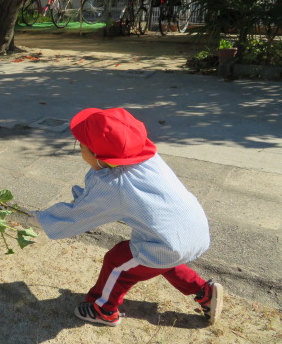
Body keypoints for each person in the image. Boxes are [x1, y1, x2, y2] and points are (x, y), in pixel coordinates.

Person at [30, 107, 223, 327]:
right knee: (158, 259)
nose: (80, 150)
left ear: (96, 154)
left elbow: (79, 215)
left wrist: (43, 218)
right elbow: (97, 193)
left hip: (168, 243)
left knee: (118, 261)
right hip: (190, 230)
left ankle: (103, 309)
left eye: (81, 146)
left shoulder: (115, 184)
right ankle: (203, 291)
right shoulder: (148, 158)